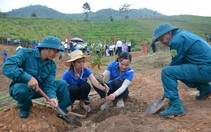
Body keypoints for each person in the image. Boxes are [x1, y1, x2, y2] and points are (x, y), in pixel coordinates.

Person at [2, 36, 71, 119]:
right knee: (22, 90)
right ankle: (25, 107)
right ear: (46, 48)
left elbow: (49, 84)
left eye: (58, 52)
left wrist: (52, 97)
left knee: (62, 84)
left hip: (39, 90)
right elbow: (7, 67)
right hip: (22, 89)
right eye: (55, 51)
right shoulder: (25, 54)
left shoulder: (52, 65)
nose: (56, 55)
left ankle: (62, 112)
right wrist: (28, 78)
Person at [152, 22, 211, 117]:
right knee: (178, 69)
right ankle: (205, 89)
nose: (162, 42)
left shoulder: (176, 40)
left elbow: (175, 63)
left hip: (206, 68)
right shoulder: (182, 35)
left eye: (161, 39)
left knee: (167, 72)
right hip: (206, 67)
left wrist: (167, 80)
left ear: (169, 33)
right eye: (159, 40)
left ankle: (176, 106)